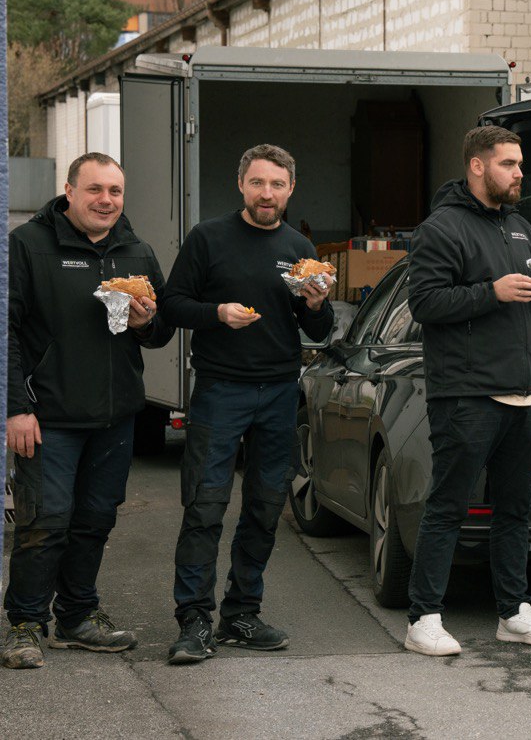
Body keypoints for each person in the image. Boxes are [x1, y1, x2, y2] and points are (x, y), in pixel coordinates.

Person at [158, 144, 334, 665]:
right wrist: (218, 313)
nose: (267, 193)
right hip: (221, 390)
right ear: (242, 185)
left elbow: (318, 330)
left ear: (290, 190)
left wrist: (317, 305)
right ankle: (194, 620)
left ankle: (241, 613)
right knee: (205, 507)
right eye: (258, 183)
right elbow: (171, 305)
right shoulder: (208, 238)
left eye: (277, 185)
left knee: (263, 507)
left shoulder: (299, 246)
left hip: (279, 392)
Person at [402, 125, 531, 657]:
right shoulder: (441, 228)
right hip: (467, 395)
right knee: (447, 507)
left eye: (520, 164)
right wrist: (490, 292)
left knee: (516, 511)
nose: (520, 173)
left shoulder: (522, 227)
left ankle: (513, 612)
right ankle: (423, 618)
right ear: (478, 166)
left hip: (525, 392)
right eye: (509, 164)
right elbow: (425, 304)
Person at [2, 152, 174, 670]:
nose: (106, 201)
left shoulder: (137, 251)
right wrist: (15, 409)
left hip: (116, 415)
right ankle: (25, 624)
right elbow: (5, 331)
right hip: (46, 415)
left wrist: (146, 322)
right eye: (95, 190)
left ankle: (76, 617)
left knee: (95, 520)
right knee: (44, 521)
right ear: (70, 191)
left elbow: (161, 332)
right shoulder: (29, 245)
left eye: (115, 192)